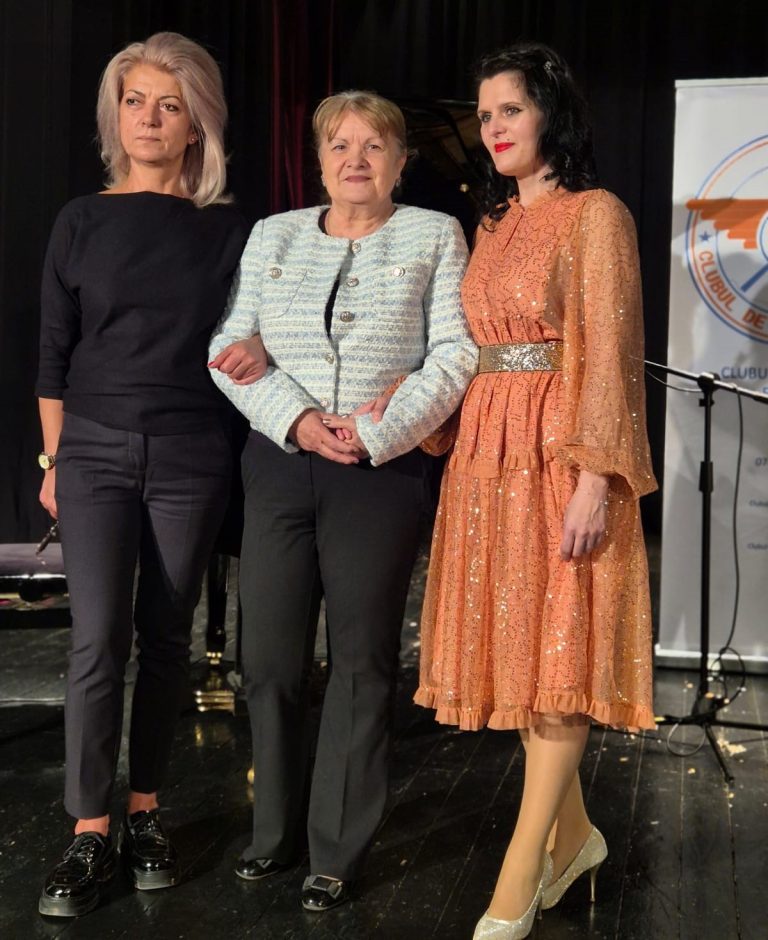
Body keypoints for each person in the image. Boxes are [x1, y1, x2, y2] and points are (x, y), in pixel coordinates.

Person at [208, 90, 477, 912]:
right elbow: (228, 344)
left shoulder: (435, 233)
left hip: (378, 471)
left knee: (361, 662)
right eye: (339, 145)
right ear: (319, 160)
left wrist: (378, 430)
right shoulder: (274, 233)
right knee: (269, 660)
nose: (355, 159)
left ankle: (336, 849)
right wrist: (297, 419)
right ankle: (274, 832)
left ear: (401, 161)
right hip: (281, 461)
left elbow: (454, 354)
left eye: (374, 145)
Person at [411, 43, 658, 939]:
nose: (493, 128)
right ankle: (577, 837)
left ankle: (518, 876)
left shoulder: (596, 215)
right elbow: (471, 348)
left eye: (509, 110)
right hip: (487, 457)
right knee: (522, 655)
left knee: (559, 656)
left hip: (560, 453)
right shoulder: (490, 224)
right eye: (484, 116)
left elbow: (612, 352)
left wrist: (596, 476)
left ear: (551, 114)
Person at [35, 32, 263, 917]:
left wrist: (258, 347)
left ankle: (145, 812)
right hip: (91, 449)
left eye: (171, 105)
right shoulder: (79, 221)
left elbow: (254, 332)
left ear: (197, 124)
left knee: (168, 638)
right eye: (135, 101)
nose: (150, 118)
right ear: (115, 114)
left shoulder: (231, 230)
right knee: (97, 639)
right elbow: (53, 356)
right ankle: (89, 828)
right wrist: (54, 459)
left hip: (191, 453)